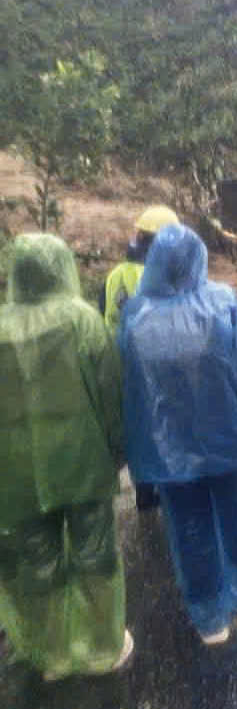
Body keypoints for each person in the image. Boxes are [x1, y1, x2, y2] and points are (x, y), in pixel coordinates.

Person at [119, 224, 237, 646]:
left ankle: (210, 619)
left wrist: (134, 453)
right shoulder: (222, 302)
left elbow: (128, 390)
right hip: (225, 438)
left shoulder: (134, 317)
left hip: (168, 455)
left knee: (190, 531)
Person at [0, 234, 133, 680]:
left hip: (14, 473)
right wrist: (118, 451)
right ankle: (101, 647)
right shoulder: (83, 320)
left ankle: (51, 656)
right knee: (94, 554)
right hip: (82, 461)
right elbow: (110, 392)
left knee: (36, 564)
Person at [101, 204, 180, 512]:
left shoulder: (115, 275)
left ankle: (144, 494)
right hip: (159, 364)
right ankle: (171, 489)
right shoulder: (163, 274)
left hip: (123, 365)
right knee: (166, 426)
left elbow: (104, 317)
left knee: (139, 430)